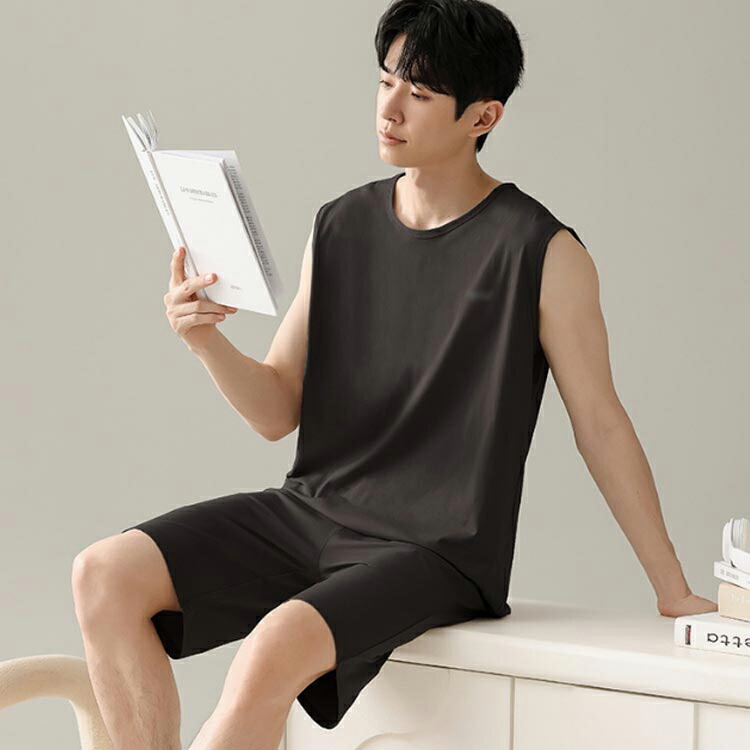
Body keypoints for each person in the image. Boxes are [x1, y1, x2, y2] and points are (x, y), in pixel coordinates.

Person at [72, 1, 717, 749]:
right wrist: (205, 341)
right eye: (385, 83)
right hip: (313, 510)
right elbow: (276, 410)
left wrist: (672, 589)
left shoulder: (542, 251)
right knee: (103, 574)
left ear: (483, 117)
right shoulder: (339, 225)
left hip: (438, 548)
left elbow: (601, 424)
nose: (390, 109)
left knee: (273, 647)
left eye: (420, 94)